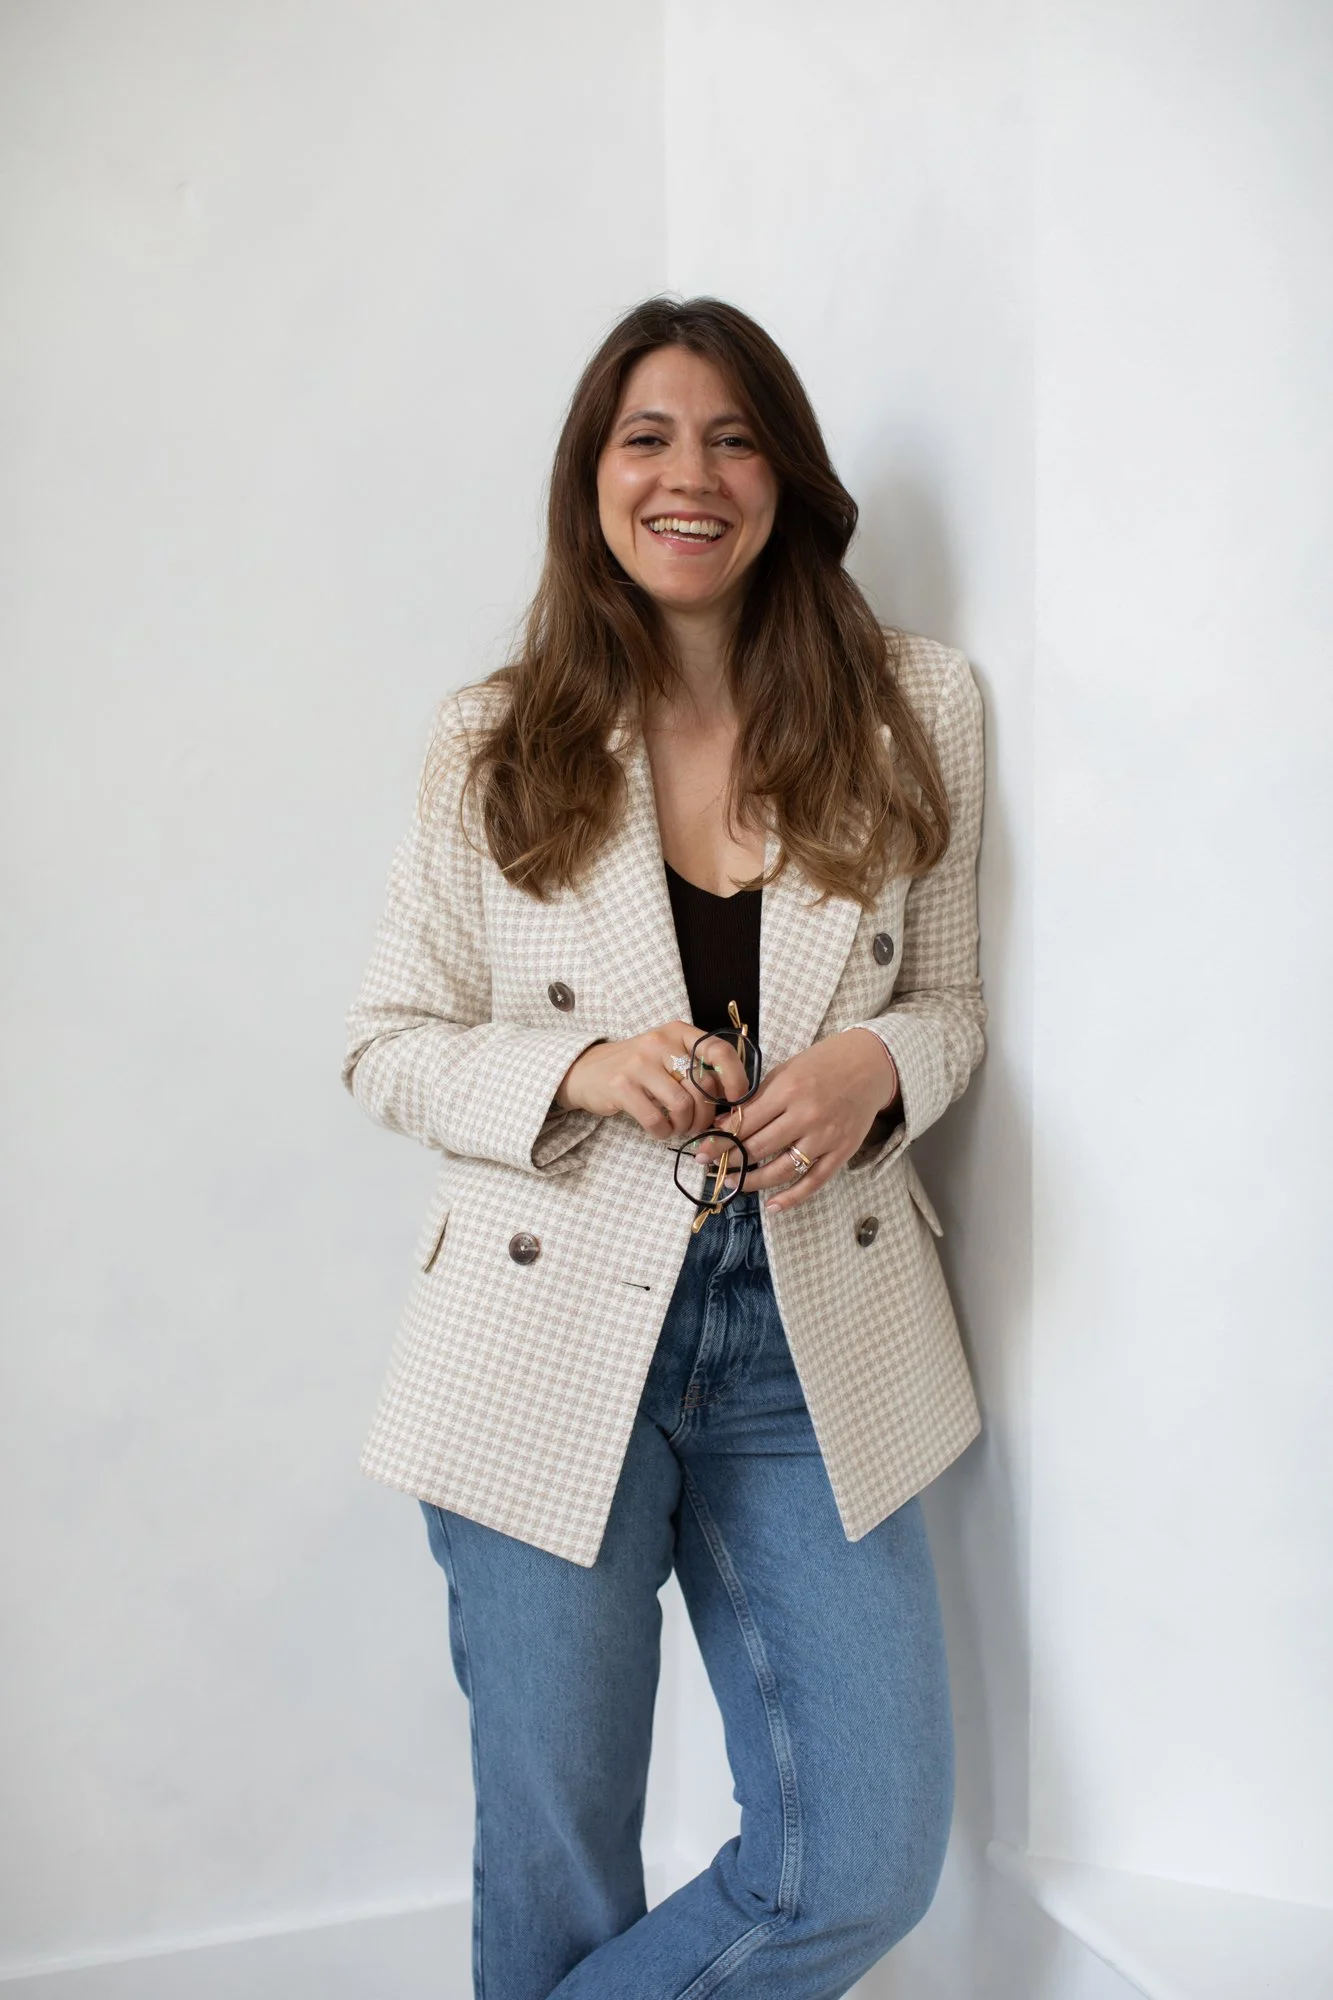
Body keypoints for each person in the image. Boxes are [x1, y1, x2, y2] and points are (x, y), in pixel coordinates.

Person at [341, 295, 986, 2000]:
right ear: (593, 480)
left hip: (809, 1332)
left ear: (787, 476)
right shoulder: (495, 738)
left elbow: (955, 1004)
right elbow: (385, 1041)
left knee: (860, 1856)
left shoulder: (917, 705)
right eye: (646, 439)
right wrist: (581, 1068)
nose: (688, 476)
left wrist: (871, 1064)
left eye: (732, 437)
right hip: (544, 1330)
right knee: (556, 1861)